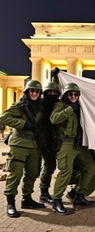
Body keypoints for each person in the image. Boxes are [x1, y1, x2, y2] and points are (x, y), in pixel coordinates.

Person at [0, 80, 45, 218]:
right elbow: (4, 118)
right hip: (19, 144)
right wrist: (24, 124)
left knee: (32, 173)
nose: (34, 93)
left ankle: (27, 198)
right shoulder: (19, 106)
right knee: (15, 174)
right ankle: (10, 203)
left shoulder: (41, 107)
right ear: (26, 92)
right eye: (31, 91)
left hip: (34, 146)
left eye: (37, 91)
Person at [51, 82, 95, 215]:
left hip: (79, 144)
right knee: (65, 171)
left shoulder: (82, 106)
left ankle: (79, 196)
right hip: (66, 143)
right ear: (66, 94)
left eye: (76, 94)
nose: (73, 96)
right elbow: (54, 119)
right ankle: (56, 201)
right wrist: (69, 109)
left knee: (91, 167)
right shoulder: (61, 105)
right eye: (70, 93)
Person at [39, 81, 60, 204]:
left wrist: (56, 76)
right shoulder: (40, 104)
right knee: (48, 166)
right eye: (49, 92)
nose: (52, 94)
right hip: (42, 140)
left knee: (51, 166)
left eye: (54, 92)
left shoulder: (57, 104)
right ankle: (43, 193)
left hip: (55, 139)